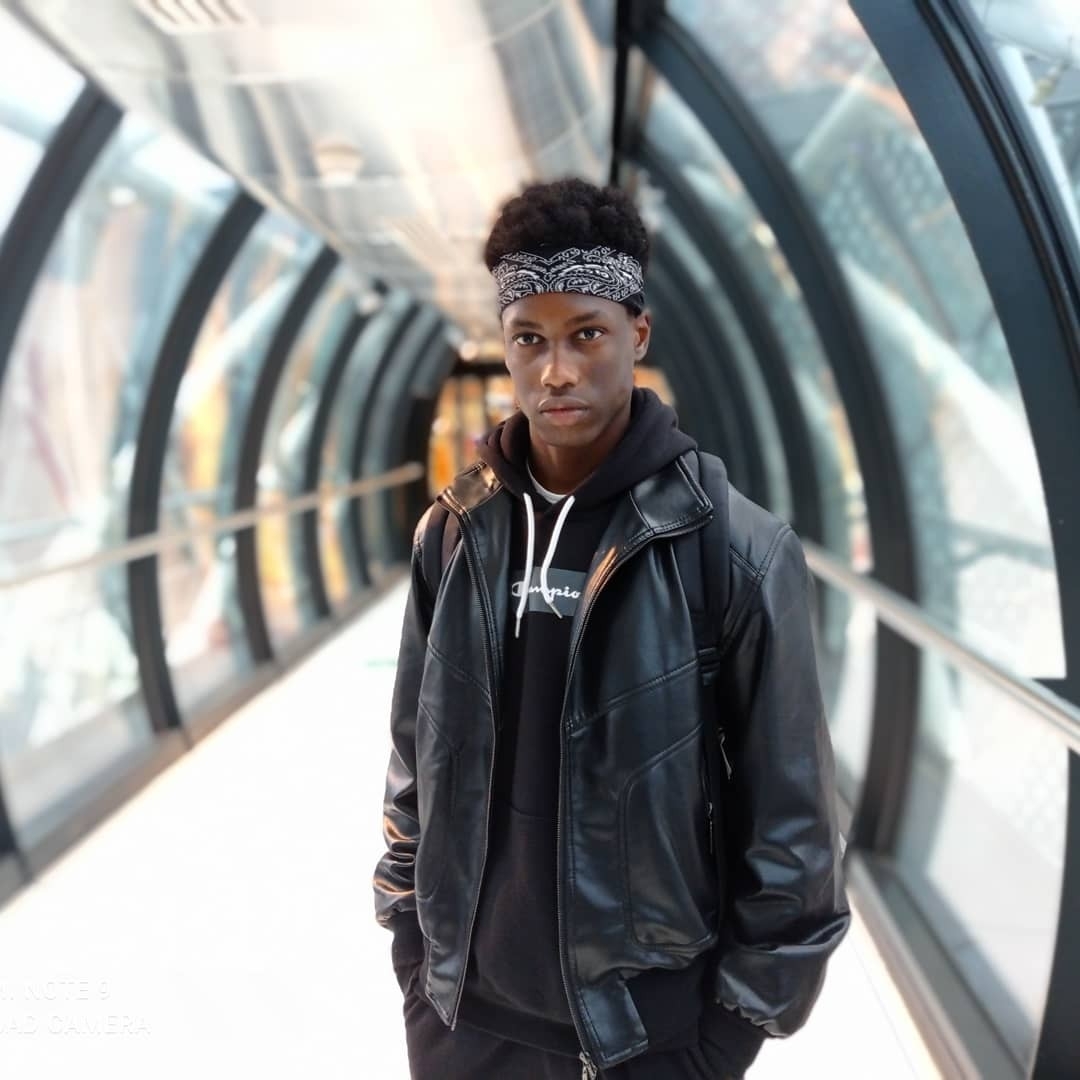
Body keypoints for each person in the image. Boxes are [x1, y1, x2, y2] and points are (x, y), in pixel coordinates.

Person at [373, 178, 850, 1079]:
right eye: (529, 338)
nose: (556, 370)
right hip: (464, 1019)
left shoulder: (732, 548)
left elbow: (793, 821)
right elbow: (415, 757)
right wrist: (410, 941)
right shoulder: (456, 530)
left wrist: (729, 1034)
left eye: (586, 333)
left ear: (638, 333)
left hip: (645, 1034)